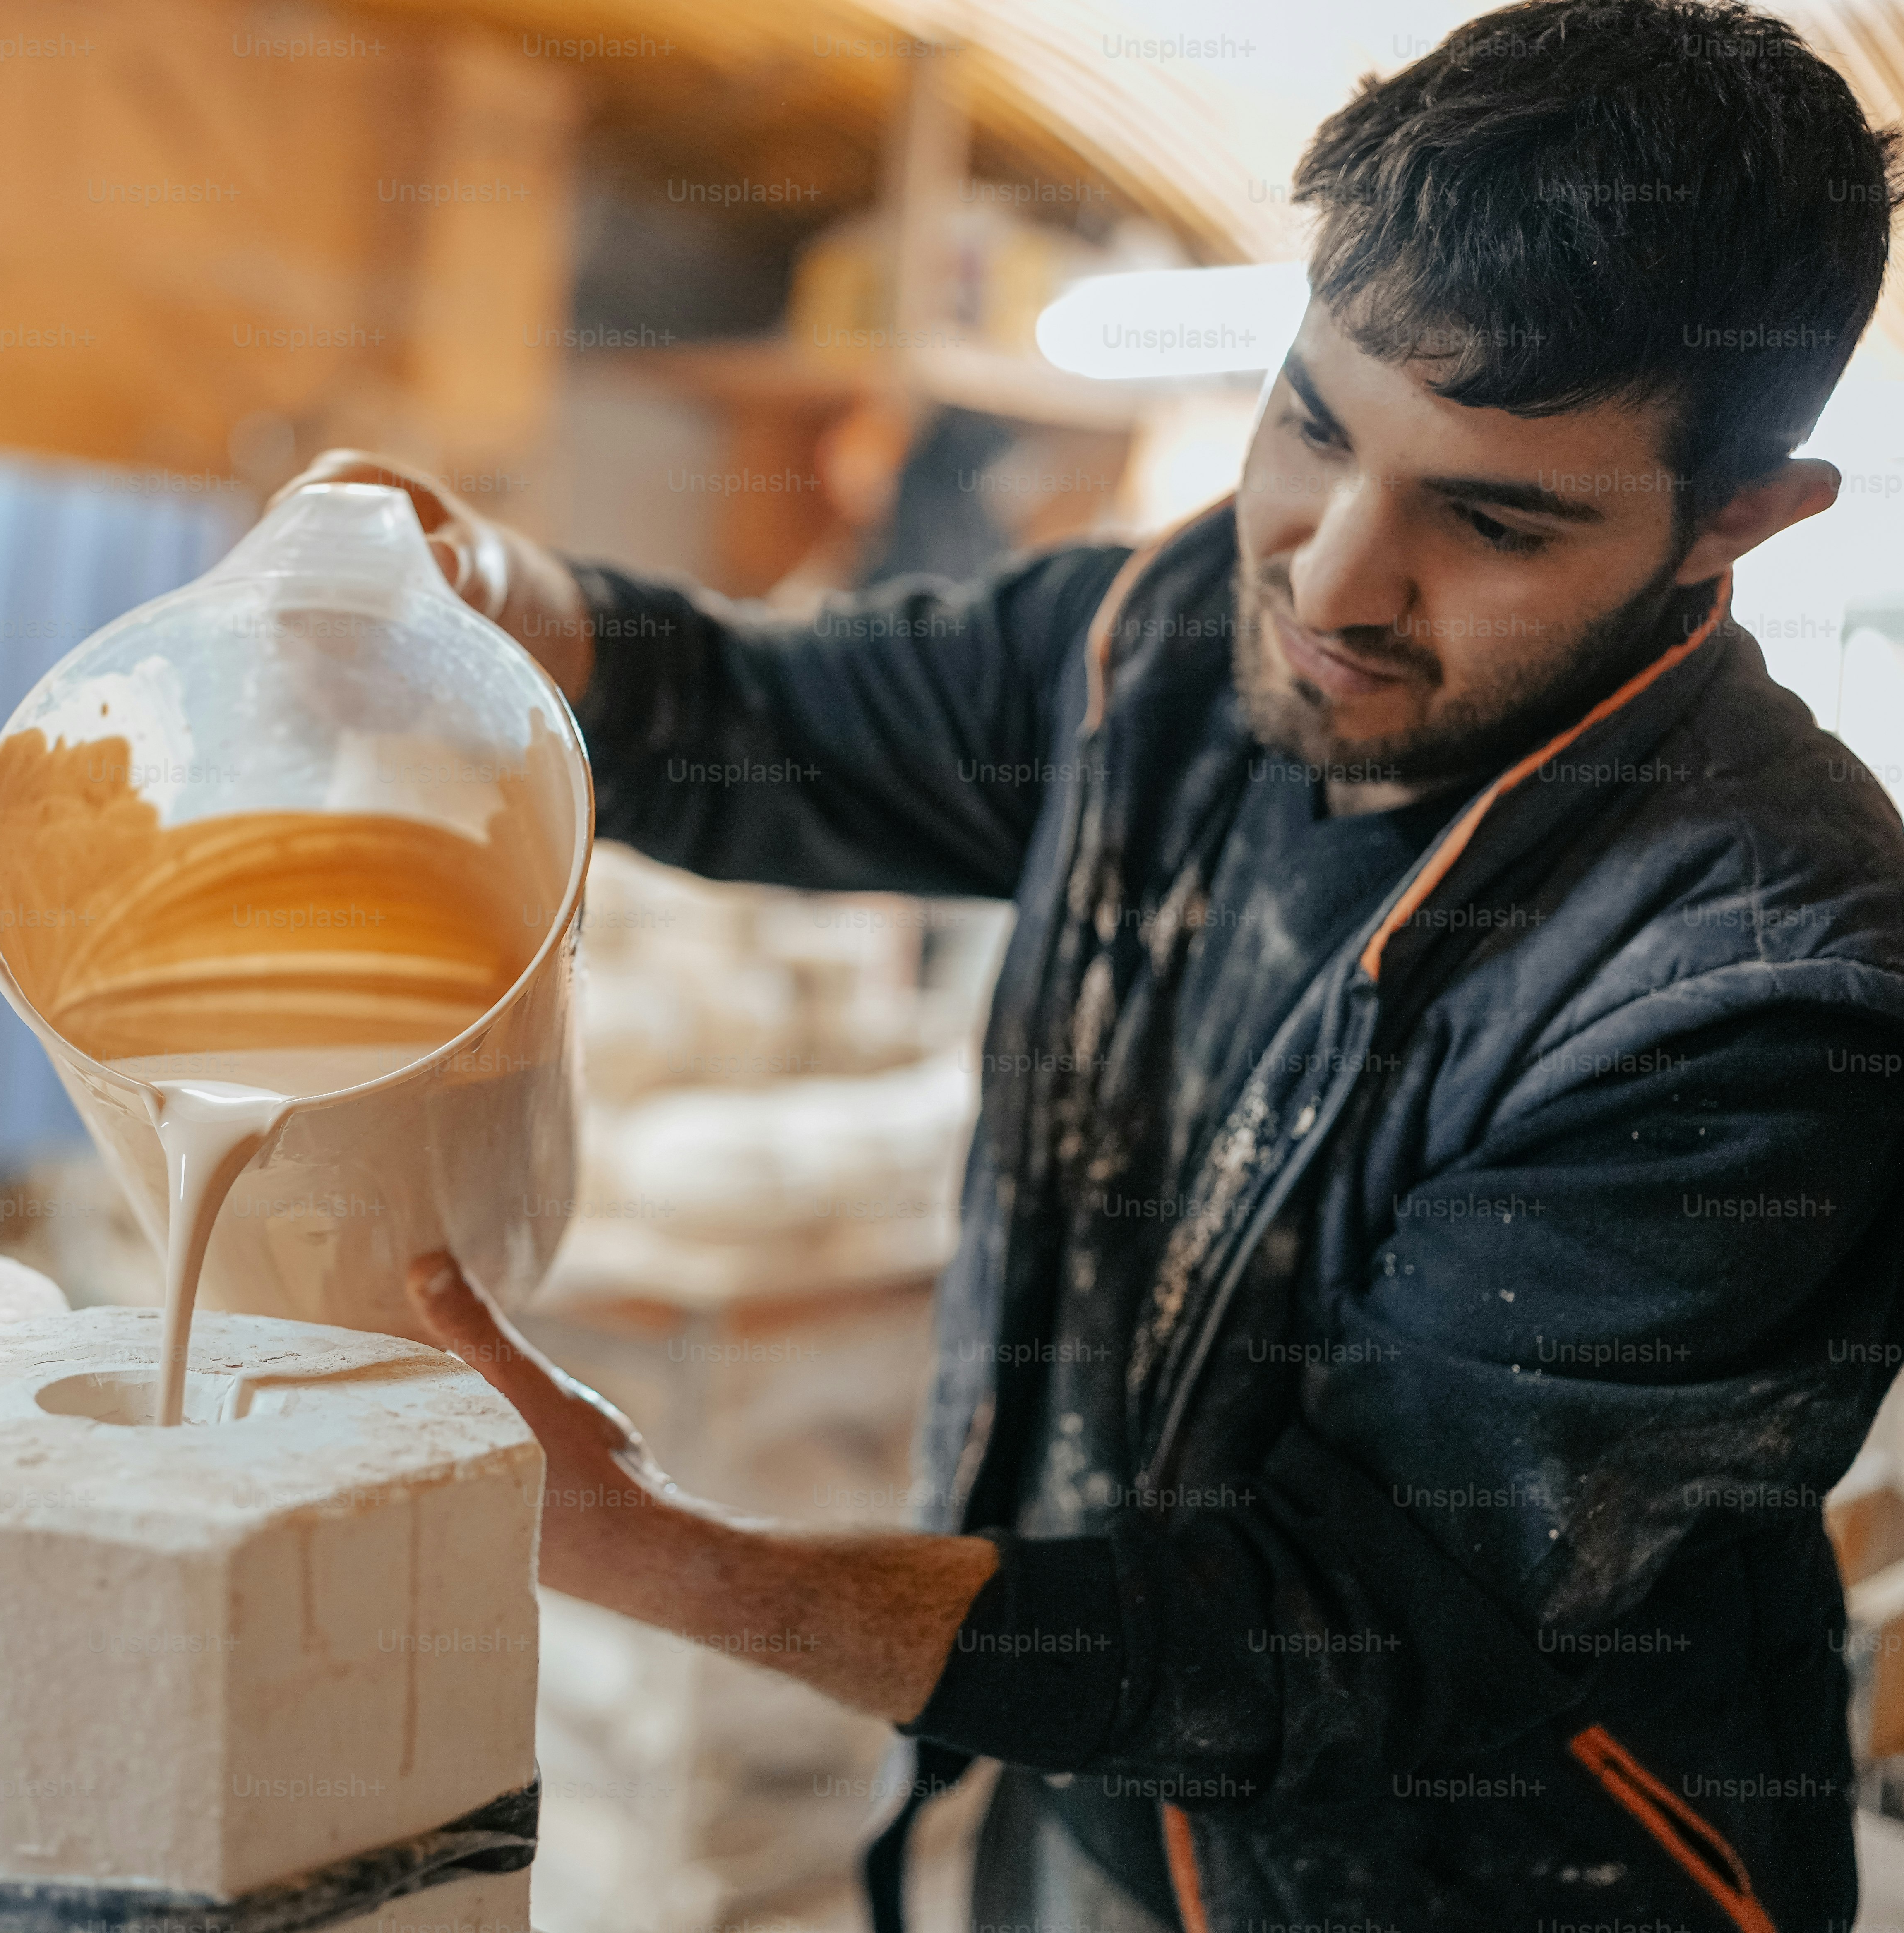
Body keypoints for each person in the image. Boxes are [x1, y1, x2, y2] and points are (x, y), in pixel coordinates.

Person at [285, 2, 1904, 1926]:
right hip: (1090, 1807)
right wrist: (491, 599)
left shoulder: (1761, 996)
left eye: (1492, 519)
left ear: (1740, 520)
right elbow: (754, 716)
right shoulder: (1165, 632)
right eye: (1314, 423)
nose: (1329, 578)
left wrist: (655, 1549)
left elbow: (1344, 1639)